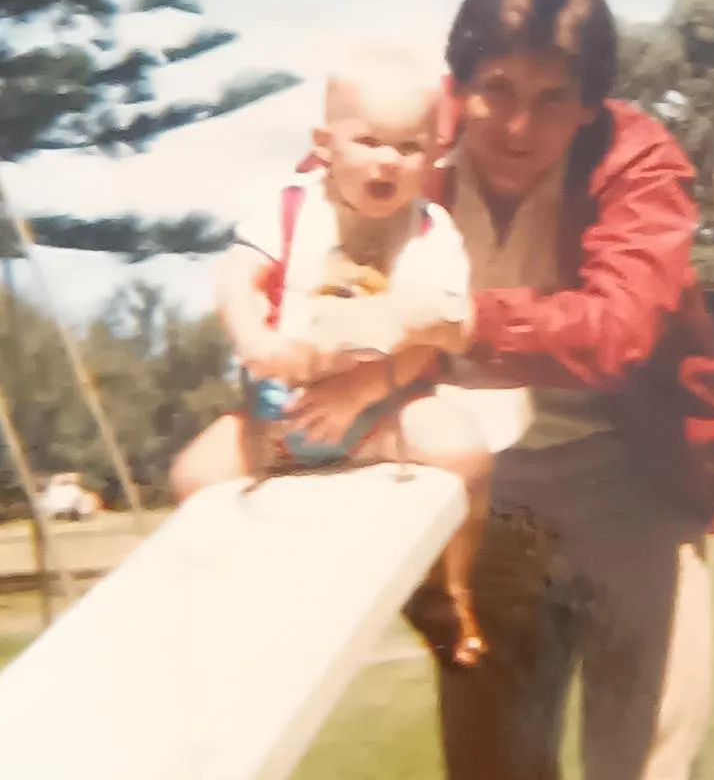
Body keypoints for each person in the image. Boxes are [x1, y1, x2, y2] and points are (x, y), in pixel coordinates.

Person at [389, 0, 714, 780]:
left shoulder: (638, 159)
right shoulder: (400, 142)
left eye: (552, 99)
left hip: (629, 476)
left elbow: (620, 329)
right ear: (456, 84)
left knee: (645, 760)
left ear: (590, 105)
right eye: (496, 89)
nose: (517, 126)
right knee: (491, 764)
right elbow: (302, 249)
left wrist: (468, 320)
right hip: (483, 489)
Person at [170, 42, 503, 666]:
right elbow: (238, 279)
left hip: (382, 408)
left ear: (433, 153)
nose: (388, 160)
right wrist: (256, 341)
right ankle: (240, 600)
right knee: (194, 477)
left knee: (465, 455)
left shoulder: (431, 231)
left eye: (408, 147)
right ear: (324, 144)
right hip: (282, 412)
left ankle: (450, 586)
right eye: (368, 141)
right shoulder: (290, 207)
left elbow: (428, 335)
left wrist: (362, 391)